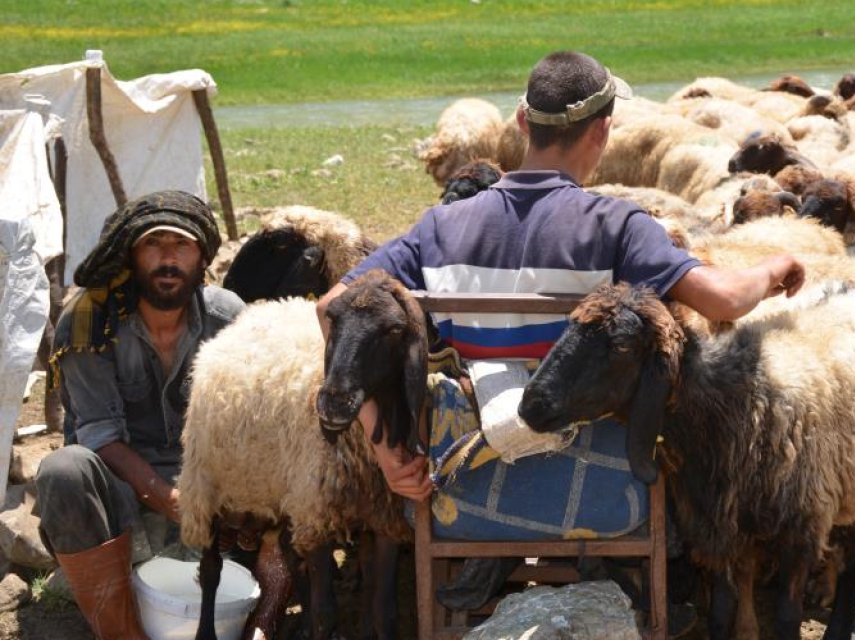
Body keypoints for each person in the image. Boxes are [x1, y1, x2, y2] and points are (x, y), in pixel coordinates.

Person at [315, 50, 804, 502]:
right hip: (599, 485)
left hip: (460, 478)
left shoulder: (440, 226)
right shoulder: (617, 226)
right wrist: (774, 265)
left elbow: (331, 307)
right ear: (602, 132)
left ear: (524, 122)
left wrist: (386, 446)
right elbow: (725, 301)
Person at [35, 191, 245, 639]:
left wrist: (226, 503)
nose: (168, 258)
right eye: (154, 244)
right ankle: (120, 630)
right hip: (125, 486)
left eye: (182, 245)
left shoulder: (229, 319)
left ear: (203, 257)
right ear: (132, 255)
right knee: (63, 471)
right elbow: (99, 436)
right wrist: (173, 503)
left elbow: (250, 425)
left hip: (208, 485)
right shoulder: (91, 320)